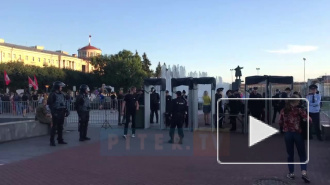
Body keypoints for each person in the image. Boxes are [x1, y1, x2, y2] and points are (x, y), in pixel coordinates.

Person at [278, 95, 311, 183]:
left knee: (290, 154)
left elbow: (280, 122)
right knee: (302, 154)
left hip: (288, 134)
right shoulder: (300, 110)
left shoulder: (283, 110)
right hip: (298, 133)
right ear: (295, 102)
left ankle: (291, 173)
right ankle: (304, 172)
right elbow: (309, 119)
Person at [47, 81, 69, 146]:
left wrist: (66, 110)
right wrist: (53, 112)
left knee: (60, 127)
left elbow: (65, 101)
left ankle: (60, 139)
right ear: (57, 87)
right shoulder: (53, 94)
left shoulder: (62, 94)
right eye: (60, 86)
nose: (61, 88)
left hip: (62, 111)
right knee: (54, 127)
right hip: (56, 112)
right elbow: (49, 104)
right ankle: (52, 141)